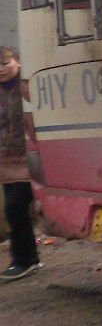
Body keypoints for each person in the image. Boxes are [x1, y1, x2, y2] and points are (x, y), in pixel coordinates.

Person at [0, 46, 39, 281]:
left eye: (5, 63)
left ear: (18, 63)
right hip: (5, 162)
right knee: (16, 212)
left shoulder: (27, 88)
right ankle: (30, 259)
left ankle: (22, 260)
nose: (1, 69)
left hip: (29, 158)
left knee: (14, 208)